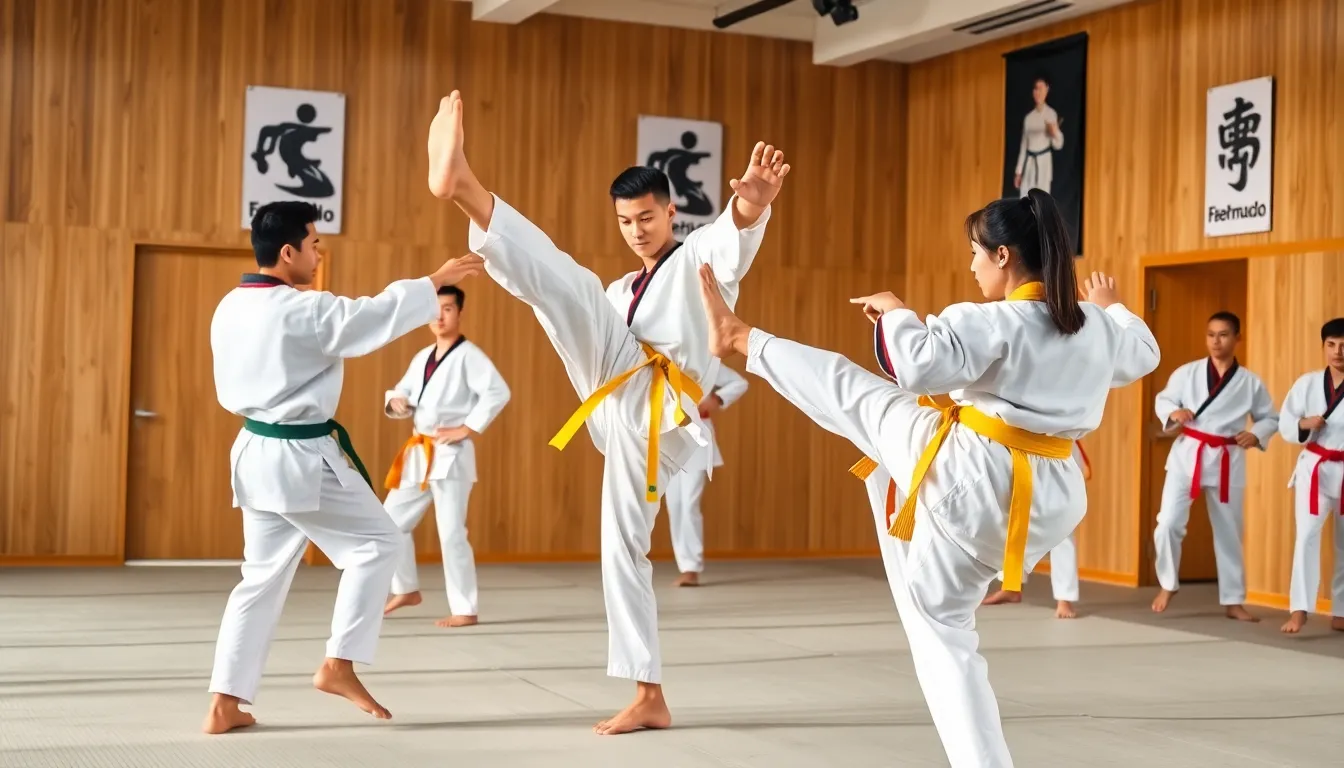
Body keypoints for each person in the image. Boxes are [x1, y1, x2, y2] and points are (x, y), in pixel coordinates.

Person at [696, 189, 1158, 767]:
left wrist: (896, 311)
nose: (972, 265)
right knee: (940, 616)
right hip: (1048, 499)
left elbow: (916, 367)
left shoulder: (992, 320)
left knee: (856, 393)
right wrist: (1113, 305)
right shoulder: (1095, 327)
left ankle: (739, 338)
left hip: (974, 479)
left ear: (1004, 256)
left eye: (975, 253)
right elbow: (1145, 353)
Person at [424, 90, 788, 735]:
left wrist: (751, 203)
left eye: (646, 217)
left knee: (570, 287)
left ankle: (467, 191)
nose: (636, 229)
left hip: (660, 409)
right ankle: (649, 692)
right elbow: (567, 310)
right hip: (616, 408)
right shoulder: (623, 289)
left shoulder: (701, 258)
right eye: (625, 221)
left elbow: (735, 239)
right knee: (562, 298)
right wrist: (518, 273)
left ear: (672, 212)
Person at [202, 200, 483, 734]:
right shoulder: (301, 310)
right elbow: (368, 318)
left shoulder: (229, 306)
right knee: (380, 542)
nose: (318, 253)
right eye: (312, 244)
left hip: (253, 452)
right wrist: (432, 283)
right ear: (287, 252)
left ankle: (224, 702)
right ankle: (339, 663)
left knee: (258, 580)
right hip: (298, 457)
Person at [380, 284, 511, 628]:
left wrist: (467, 428)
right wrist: (397, 399)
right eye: (435, 310)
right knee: (388, 524)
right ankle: (406, 588)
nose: (440, 316)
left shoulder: (471, 356)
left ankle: (465, 608)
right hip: (420, 454)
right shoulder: (422, 356)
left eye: (448, 309)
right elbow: (403, 389)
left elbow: (498, 392)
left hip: (450, 455)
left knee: (452, 533)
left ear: (459, 313)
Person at [1150, 312, 1278, 620]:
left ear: (1237, 338)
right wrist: (1174, 413)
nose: (1216, 341)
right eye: (1211, 334)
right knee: (1167, 522)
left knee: (1229, 532)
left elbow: (1270, 418)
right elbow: (1163, 399)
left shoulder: (1250, 382)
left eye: (1223, 335)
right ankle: (1168, 583)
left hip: (1226, 459)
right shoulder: (1188, 373)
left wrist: (1256, 433)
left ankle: (1233, 601)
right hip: (1187, 456)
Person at [1278, 318, 1344, 634]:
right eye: (1331, 344)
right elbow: (1285, 422)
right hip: (1314, 469)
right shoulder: (1307, 383)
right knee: (1306, 536)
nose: (1338, 351)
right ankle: (1300, 609)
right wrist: (1304, 424)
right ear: (1323, 347)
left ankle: (1342, 610)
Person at [981, 441, 1090, 619]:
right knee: (1015, 514)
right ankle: (1011, 586)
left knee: (1062, 526)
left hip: (1059, 446)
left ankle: (1065, 598)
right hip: (1023, 441)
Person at [664, 363, 749, 586]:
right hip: (668, 436)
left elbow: (739, 383)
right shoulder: (659, 359)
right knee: (675, 505)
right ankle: (685, 565)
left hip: (697, 434)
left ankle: (691, 568)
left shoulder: (702, 360)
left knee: (689, 502)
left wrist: (717, 399)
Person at [1014, 76, 1064, 197]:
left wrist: (1055, 133)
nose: (1038, 92)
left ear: (1047, 90)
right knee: (1025, 200)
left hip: (1044, 164)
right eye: (1036, 89)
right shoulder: (1028, 118)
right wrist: (1019, 172)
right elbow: (1023, 147)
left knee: (1042, 202)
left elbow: (1058, 145)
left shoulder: (1051, 114)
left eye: (1041, 89)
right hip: (1030, 164)